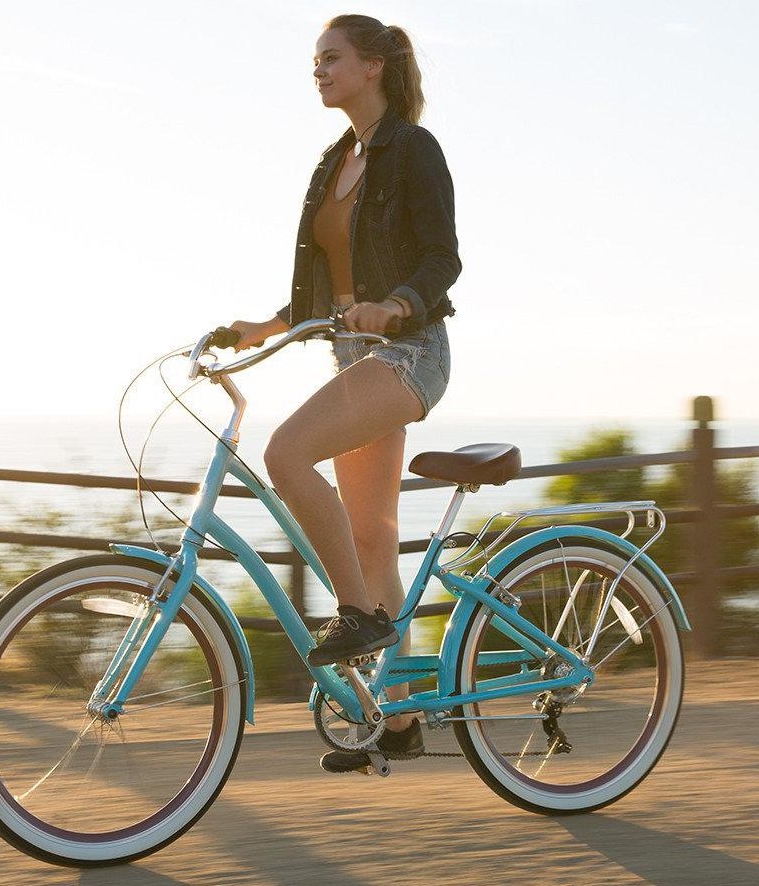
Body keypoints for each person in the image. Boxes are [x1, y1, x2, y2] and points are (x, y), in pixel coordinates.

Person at [229, 13, 460, 772]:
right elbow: (323, 289)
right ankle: (392, 722)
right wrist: (263, 327)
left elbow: (440, 260)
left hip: (408, 353)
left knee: (285, 452)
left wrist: (397, 305)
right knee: (368, 538)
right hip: (355, 356)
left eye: (331, 59)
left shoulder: (412, 149)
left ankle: (358, 616)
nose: (319, 70)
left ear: (372, 67)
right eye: (315, 61)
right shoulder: (335, 160)